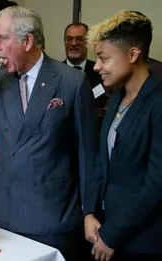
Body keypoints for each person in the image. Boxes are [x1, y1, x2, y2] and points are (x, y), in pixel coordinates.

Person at [0, 6, 97, 261]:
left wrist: (90, 212)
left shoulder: (71, 82)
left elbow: (87, 153)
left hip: (52, 214)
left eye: (2, 38)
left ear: (27, 40)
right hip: (2, 214)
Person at [84, 11, 162, 261]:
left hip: (141, 241)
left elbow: (156, 186)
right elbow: (101, 163)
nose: (96, 66)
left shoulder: (158, 103)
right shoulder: (116, 99)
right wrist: (89, 212)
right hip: (104, 229)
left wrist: (113, 235)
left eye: (103, 58)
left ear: (133, 54)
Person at [64, 23, 109, 125]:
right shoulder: (54, 73)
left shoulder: (101, 71)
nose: (74, 43)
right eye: (69, 39)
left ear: (88, 42)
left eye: (79, 39)